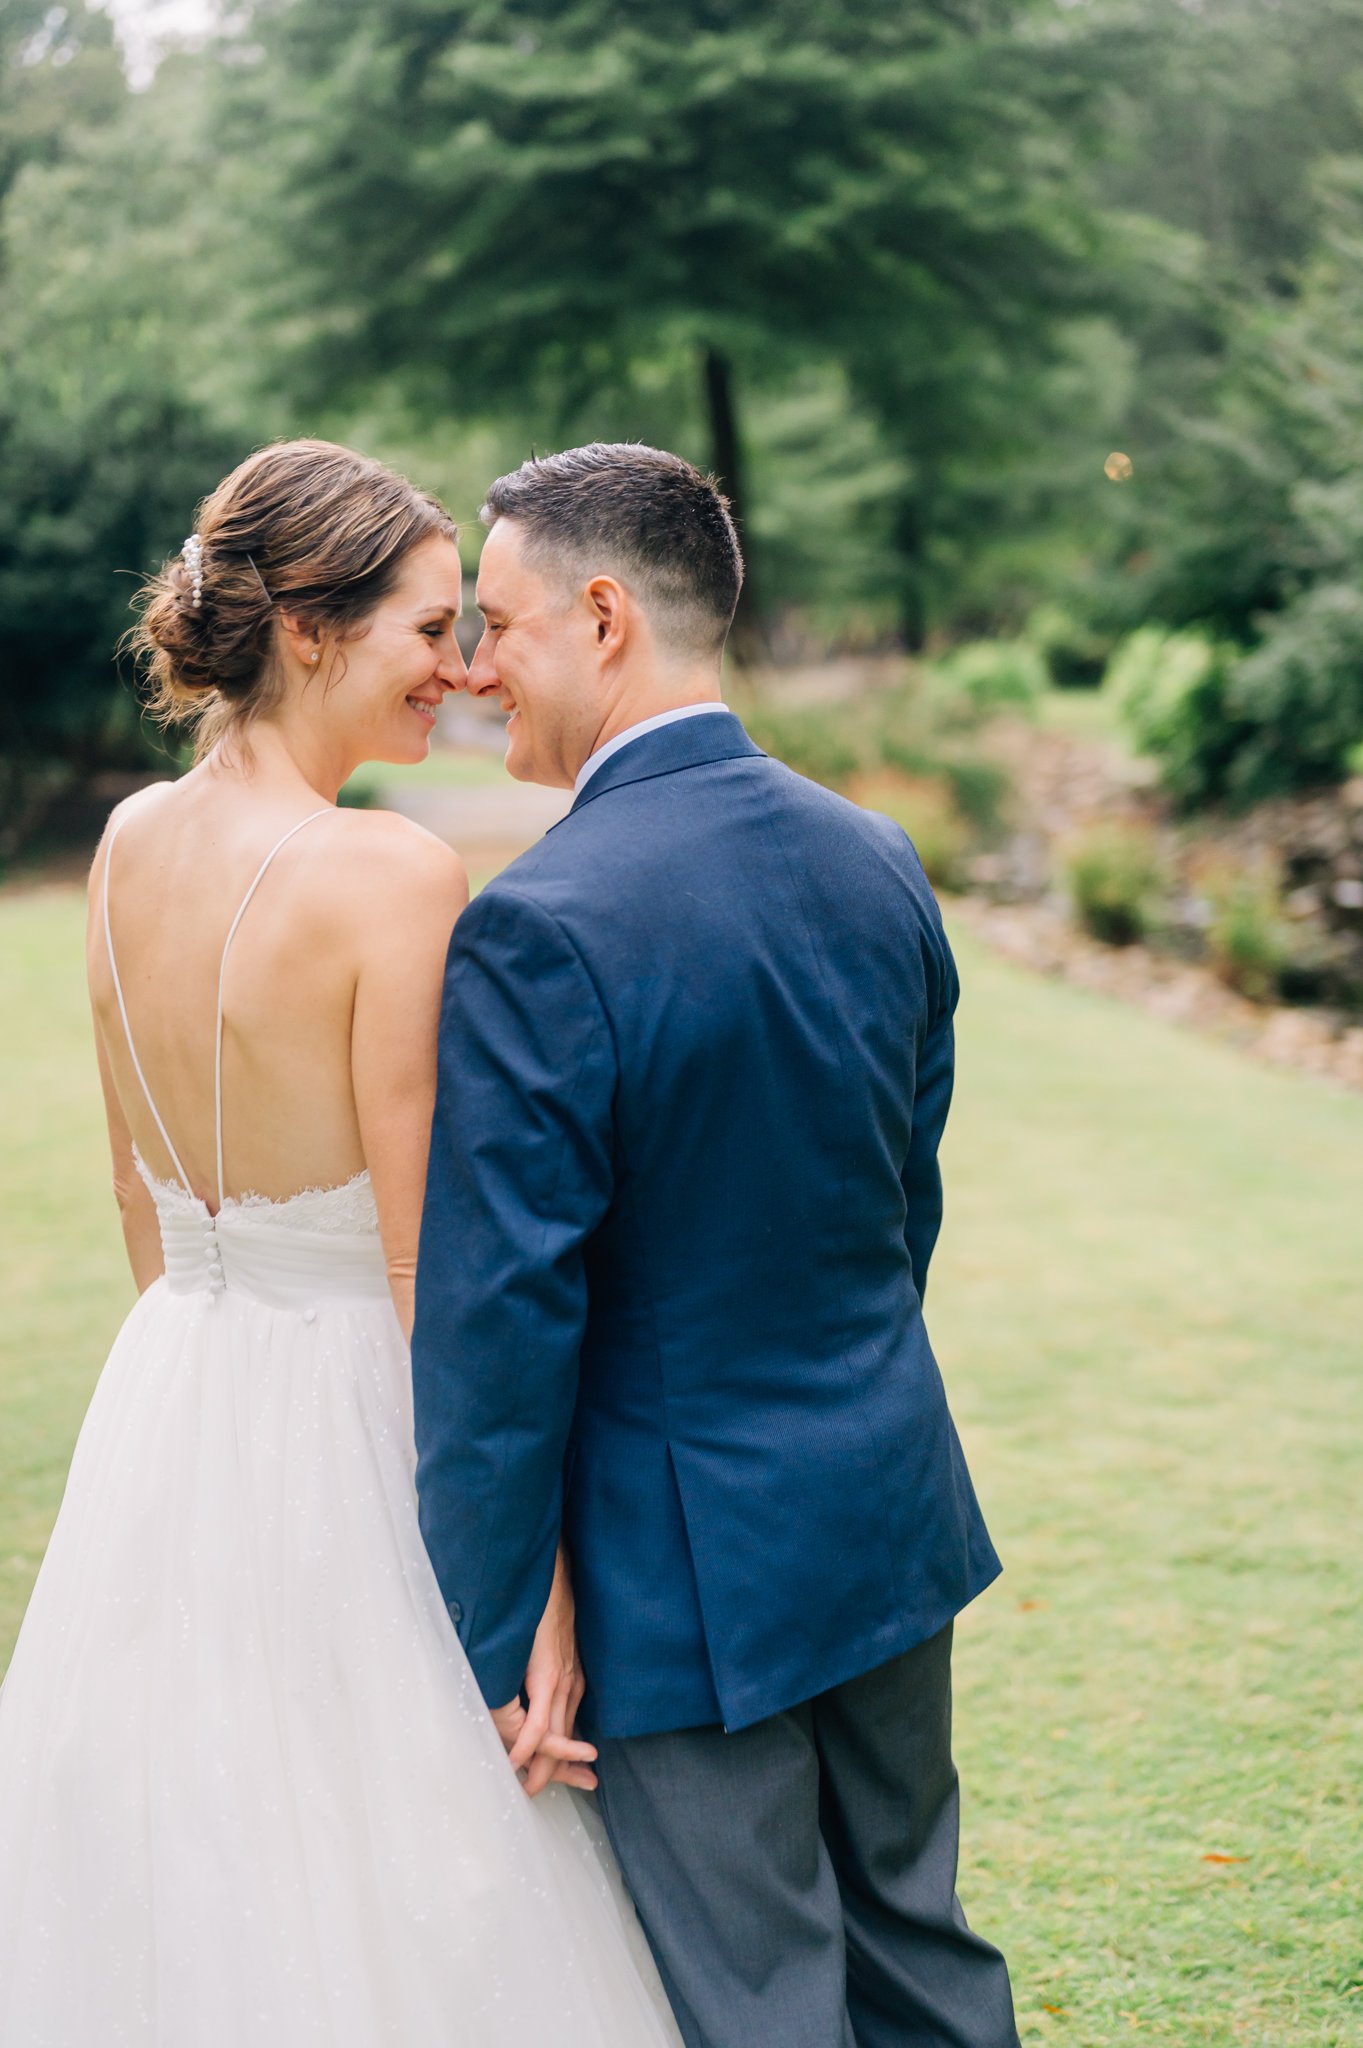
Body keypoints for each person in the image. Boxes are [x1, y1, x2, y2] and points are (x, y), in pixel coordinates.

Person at [0, 438, 681, 2047]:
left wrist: (202, 1432)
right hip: (350, 1408)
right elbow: (425, 1269)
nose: (458, 671)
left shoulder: (121, 848)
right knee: (410, 1856)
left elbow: (138, 1208)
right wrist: (537, 1590)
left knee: (189, 1836)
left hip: (172, 1395)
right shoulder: (390, 873)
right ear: (309, 628)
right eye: (428, 629)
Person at [413, 442, 1021, 2048]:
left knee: (761, 2001)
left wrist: (484, 1638)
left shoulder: (540, 923)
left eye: (500, 623)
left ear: (602, 616)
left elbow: (501, 1325)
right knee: (923, 1955)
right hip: (884, 1503)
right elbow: (906, 1200)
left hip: (681, 1575)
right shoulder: (875, 857)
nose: (476, 667)